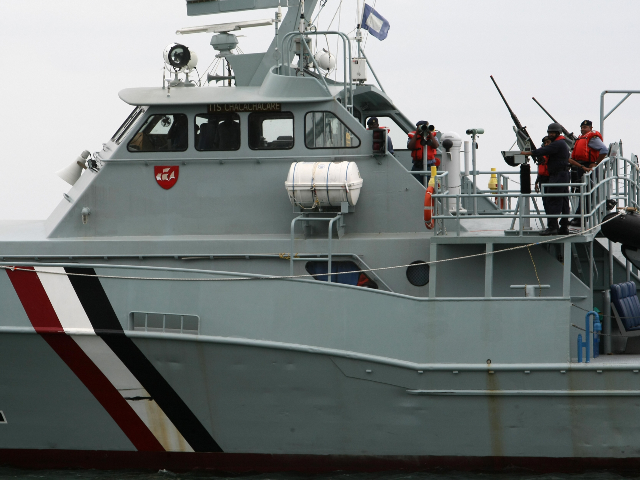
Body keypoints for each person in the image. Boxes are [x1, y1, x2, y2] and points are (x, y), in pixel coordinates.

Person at [520, 123, 571, 235]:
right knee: (563, 200)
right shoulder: (561, 143)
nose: (551, 134)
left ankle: (553, 227)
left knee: (552, 199)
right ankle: (563, 227)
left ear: (558, 133)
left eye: (553, 132)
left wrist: (528, 152)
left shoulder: (558, 143)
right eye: (549, 132)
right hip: (562, 174)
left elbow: (543, 151)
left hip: (558, 175)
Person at [568, 120, 608, 226]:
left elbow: (604, 150)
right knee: (583, 192)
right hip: (581, 167)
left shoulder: (592, 138)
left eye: (585, 127)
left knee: (586, 193)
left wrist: (595, 163)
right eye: (581, 127)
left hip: (588, 167)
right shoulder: (582, 138)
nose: (583, 129)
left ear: (590, 128)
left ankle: (580, 219)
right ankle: (578, 217)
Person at [535, 136, 552, 213]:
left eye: (548, 142)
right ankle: (549, 218)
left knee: (551, 200)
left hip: (551, 178)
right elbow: (540, 169)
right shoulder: (541, 154)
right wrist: (536, 182)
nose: (546, 144)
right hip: (542, 179)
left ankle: (553, 219)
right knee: (545, 200)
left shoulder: (554, 154)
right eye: (545, 143)